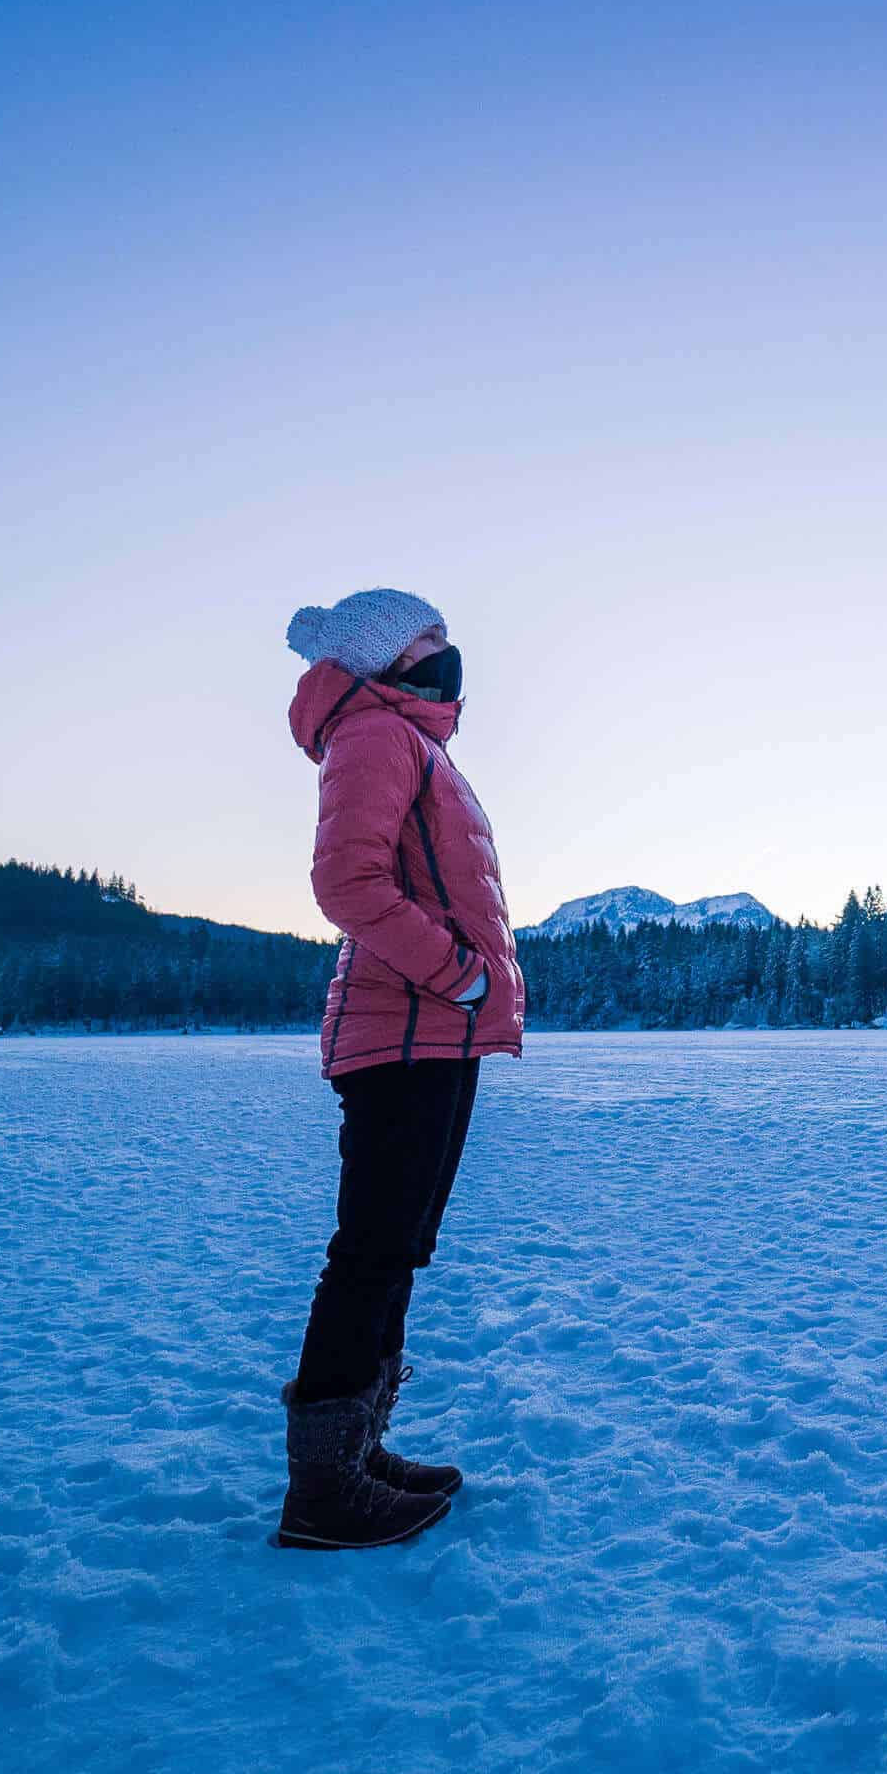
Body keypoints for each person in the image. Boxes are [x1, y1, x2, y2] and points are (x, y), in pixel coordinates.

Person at [274, 588, 526, 1550]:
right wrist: (460, 975)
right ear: (386, 657)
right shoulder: (378, 734)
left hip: (436, 1033)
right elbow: (347, 882)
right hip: (408, 1031)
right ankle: (324, 1493)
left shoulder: (408, 740)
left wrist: (466, 995)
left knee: (395, 1252)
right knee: (372, 1254)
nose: (448, 655)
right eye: (430, 641)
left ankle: (356, 1453)